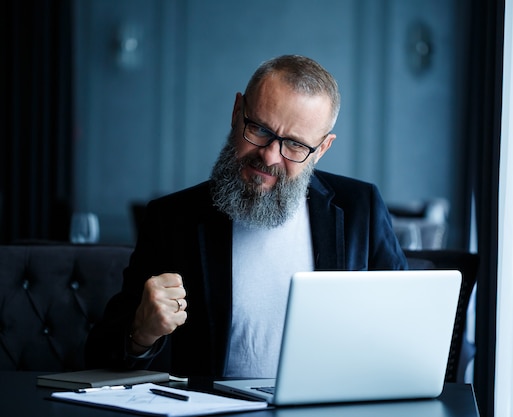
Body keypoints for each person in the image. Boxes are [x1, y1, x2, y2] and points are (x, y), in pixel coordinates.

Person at [85, 54, 408, 378]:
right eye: (259, 129)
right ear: (237, 112)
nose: (269, 155)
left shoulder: (360, 207)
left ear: (321, 149)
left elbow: (406, 327)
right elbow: (100, 355)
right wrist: (141, 332)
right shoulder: (171, 218)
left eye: (294, 145)